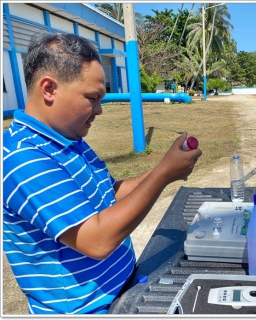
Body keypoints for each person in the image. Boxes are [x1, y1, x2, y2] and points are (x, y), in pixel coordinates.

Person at [3, 32, 202, 314]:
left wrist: (164, 166)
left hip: (121, 294)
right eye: (92, 97)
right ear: (49, 89)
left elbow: (112, 193)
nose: (99, 110)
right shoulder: (22, 159)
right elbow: (96, 240)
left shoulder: (70, 141)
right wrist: (165, 175)